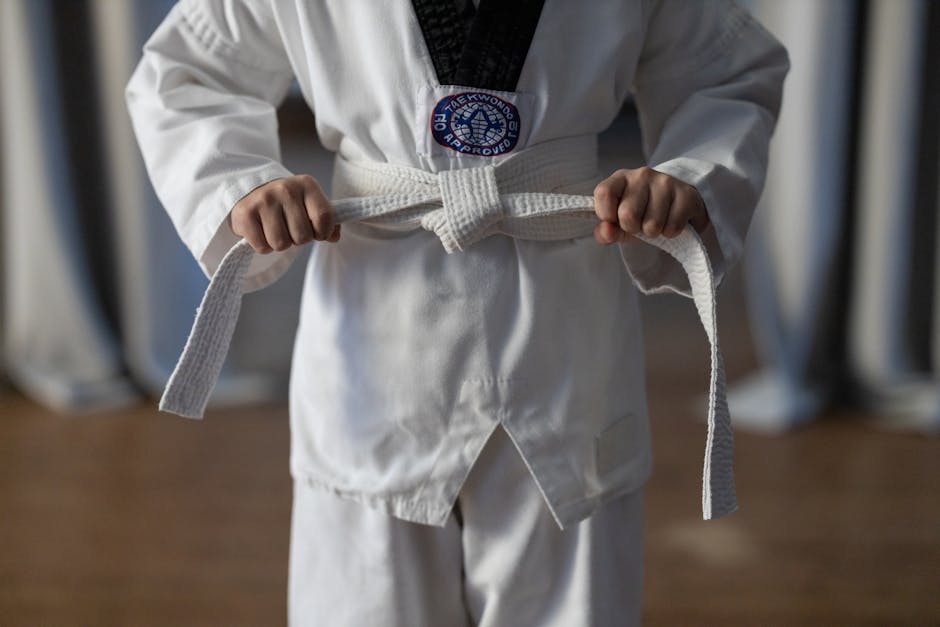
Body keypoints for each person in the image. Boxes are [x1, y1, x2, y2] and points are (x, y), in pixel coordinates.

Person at [126, 1, 788, 624]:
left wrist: (688, 180)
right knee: (364, 599)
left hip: (562, 335)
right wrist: (240, 185)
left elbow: (724, 71)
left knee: (573, 596)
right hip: (379, 333)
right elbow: (187, 72)